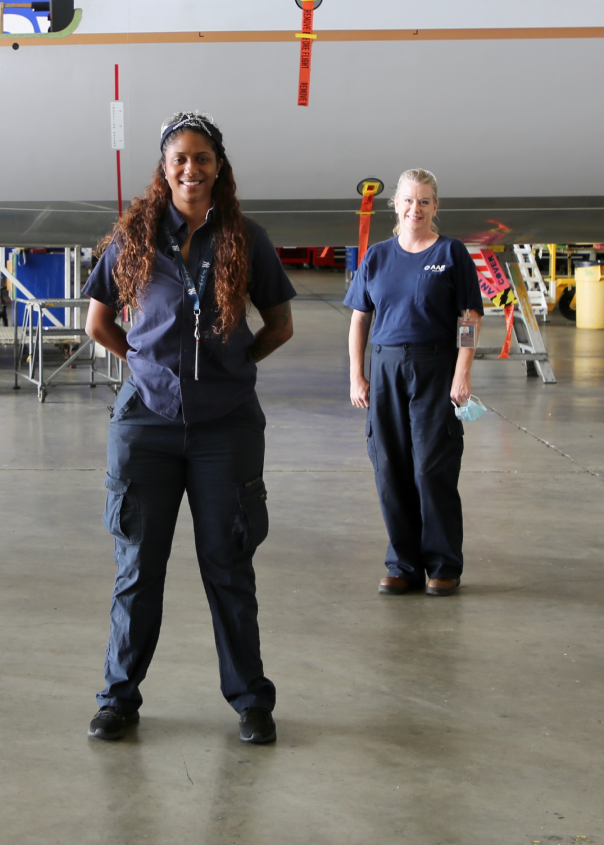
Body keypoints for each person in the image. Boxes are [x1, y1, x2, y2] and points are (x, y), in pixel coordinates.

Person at [82, 111, 295, 745]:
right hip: (145, 425)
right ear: (164, 167)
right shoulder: (134, 238)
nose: (190, 169)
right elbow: (99, 323)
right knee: (138, 567)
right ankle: (119, 698)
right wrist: (145, 367)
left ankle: (251, 701)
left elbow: (280, 326)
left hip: (224, 429)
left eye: (202, 158)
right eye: (179, 158)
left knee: (228, 563)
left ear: (219, 166)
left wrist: (232, 368)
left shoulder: (245, 239)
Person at [345, 169, 484, 597]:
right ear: (395, 205)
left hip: (435, 367)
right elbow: (359, 318)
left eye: (424, 201)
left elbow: (469, 318)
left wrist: (462, 371)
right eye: (407, 200)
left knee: (431, 468)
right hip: (386, 367)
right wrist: (357, 373)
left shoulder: (450, 253)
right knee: (390, 467)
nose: (415, 208)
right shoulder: (378, 257)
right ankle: (402, 564)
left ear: (435, 207)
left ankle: (443, 565)